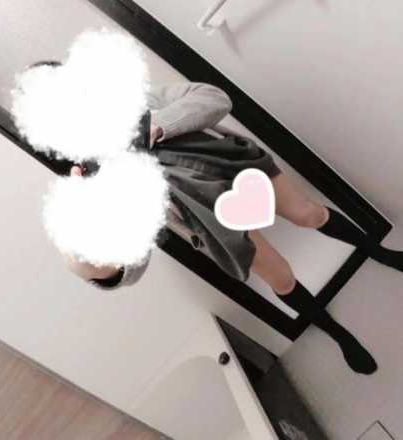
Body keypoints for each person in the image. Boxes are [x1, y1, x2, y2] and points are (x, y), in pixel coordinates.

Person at [63, 79, 403, 375]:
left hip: (235, 167)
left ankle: (380, 253)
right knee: (281, 276)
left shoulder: (138, 101)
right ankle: (338, 334)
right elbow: (136, 257)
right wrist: (91, 257)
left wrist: (159, 125)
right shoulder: (96, 183)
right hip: (210, 220)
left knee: (309, 215)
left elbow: (215, 98)